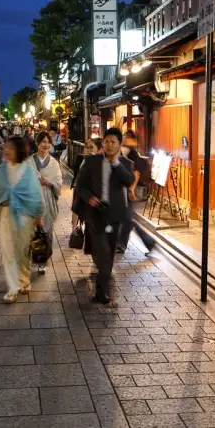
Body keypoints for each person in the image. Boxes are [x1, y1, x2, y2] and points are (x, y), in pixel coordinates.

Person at [74, 128, 135, 304]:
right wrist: (89, 198)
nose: (109, 145)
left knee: (109, 254)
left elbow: (129, 180)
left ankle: (101, 292)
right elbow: (80, 186)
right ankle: (103, 290)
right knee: (102, 252)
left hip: (114, 214)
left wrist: (116, 163)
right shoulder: (91, 161)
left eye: (113, 142)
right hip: (95, 214)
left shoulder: (125, 163)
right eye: (106, 141)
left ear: (119, 144)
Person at [0, 136, 44, 303]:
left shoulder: (28, 171)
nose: (6, 150)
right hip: (4, 214)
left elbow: (36, 195)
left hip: (25, 216)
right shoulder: (2, 170)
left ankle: (24, 281)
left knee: (23, 251)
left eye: (10, 147)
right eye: (6, 147)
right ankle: (13, 288)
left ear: (19, 150)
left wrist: (39, 215)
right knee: (8, 252)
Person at [117, 131, 157, 253]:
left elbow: (136, 173)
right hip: (123, 191)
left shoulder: (134, 155)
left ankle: (149, 242)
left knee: (128, 220)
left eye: (126, 138)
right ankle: (122, 244)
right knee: (126, 219)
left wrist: (131, 189)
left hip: (129, 192)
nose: (124, 140)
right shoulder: (125, 152)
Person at [29, 131, 63, 274]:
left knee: (46, 231)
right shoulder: (29, 161)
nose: (46, 145)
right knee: (31, 231)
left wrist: (48, 182)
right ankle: (33, 258)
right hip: (32, 199)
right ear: (37, 143)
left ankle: (43, 260)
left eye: (48, 142)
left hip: (47, 198)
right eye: (43, 142)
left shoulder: (54, 163)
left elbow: (59, 182)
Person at [70, 138, 102, 230]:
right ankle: (74, 230)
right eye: (87, 147)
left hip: (92, 194)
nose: (88, 150)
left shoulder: (101, 162)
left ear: (99, 149)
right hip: (79, 189)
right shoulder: (81, 158)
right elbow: (76, 175)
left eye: (91, 148)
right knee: (76, 210)